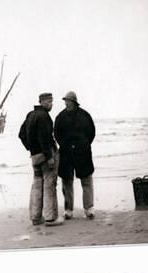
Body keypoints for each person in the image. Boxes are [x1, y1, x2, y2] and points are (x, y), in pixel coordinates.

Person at [18, 93, 63, 227]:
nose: (51, 104)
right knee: (50, 185)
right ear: (42, 102)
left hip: (35, 156)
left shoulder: (30, 115)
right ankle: (50, 218)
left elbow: (21, 134)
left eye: (52, 102)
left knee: (37, 185)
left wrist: (31, 148)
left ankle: (36, 217)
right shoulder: (44, 117)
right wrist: (49, 157)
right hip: (45, 155)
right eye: (49, 102)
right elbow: (44, 138)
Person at [54, 91, 96, 220]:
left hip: (82, 152)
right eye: (65, 101)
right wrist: (66, 145)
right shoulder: (60, 117)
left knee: (86, 180)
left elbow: (91, 133)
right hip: (66, 153)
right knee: (66, 181)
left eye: (68, 101)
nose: (66, 103)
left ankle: (89, 209)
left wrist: (83, 145)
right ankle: (68, 210)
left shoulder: (85, 115)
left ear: (74, 102)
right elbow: (57, 135)